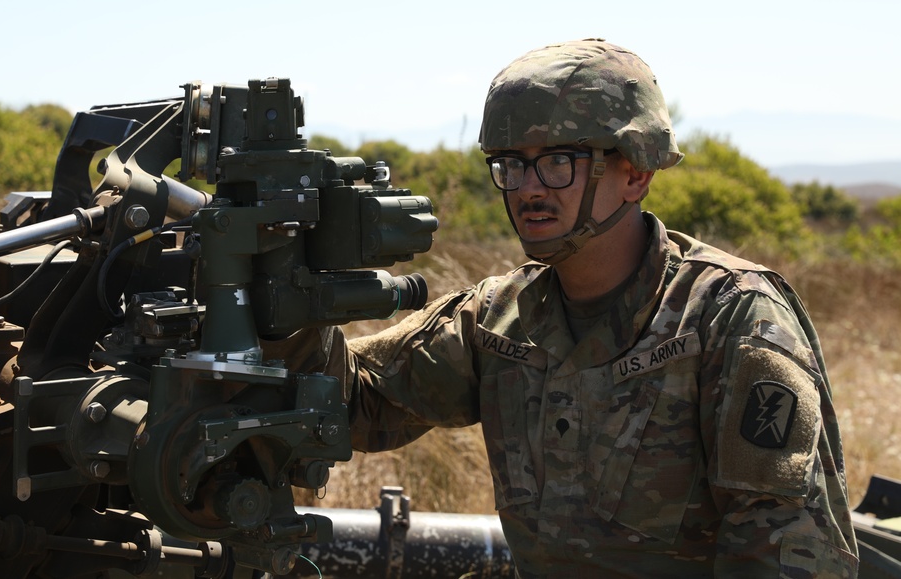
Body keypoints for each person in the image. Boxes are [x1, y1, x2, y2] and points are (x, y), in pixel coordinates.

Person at [283, 38, 858, 577]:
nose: (529, 187)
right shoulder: (499, 318)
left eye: (558, 161)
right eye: (510, 164)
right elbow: (351, 401)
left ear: (635, 171)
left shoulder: (729, 318)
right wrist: (291, 301)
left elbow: (788, 552)